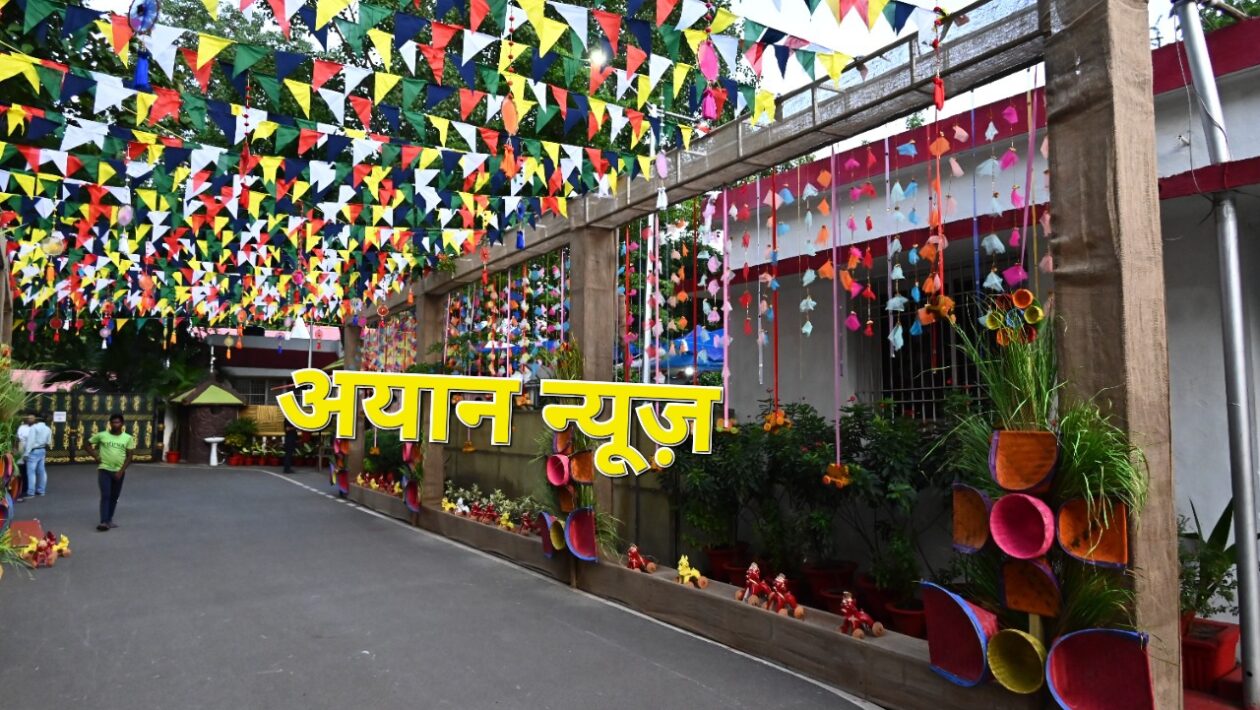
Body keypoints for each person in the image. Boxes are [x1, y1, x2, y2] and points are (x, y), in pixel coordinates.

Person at [83, 413, 135, 532]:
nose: (115, 424)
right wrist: (96, 456)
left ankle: (109, 519)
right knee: (106, 495)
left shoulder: (127, 438)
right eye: (113, 422)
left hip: (119, 472)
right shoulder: (102, 435)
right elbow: (86, 444)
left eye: (118, 422)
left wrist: (121, 471)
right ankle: (104, 521)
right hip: (104, 469)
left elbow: (130, 456)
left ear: (122, 424)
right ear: (110, 424)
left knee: (114, 496)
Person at [20, 413, 52, 500]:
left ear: (37, 419)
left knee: (31, 472)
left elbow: (30, 441)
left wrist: (26, 453)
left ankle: (31, 492)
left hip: (33, 451)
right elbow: (49, 442)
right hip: (42, 450)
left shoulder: (34, 428)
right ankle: (41, 491)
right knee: (42, 471)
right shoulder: (48, 428)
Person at [14, 412, 32, 501]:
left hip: (29, 449)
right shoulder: (21, 427)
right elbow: (17, 439)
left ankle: (25, 488)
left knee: (28, 471)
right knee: (22, 470)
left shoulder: (33, 428)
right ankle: (22, 489)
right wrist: (16, 449)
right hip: (21, 448)